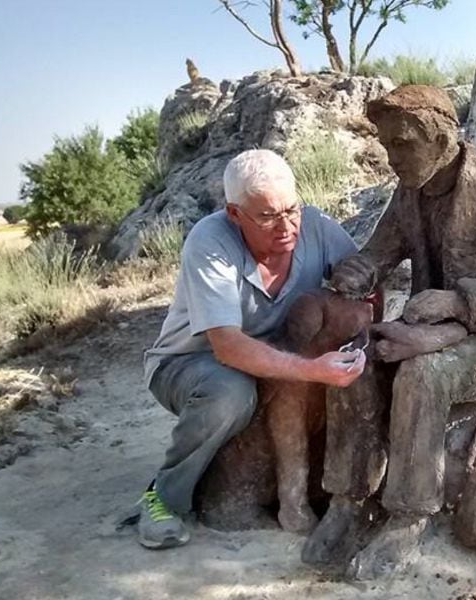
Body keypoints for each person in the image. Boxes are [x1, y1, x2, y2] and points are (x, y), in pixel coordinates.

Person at [303, 85, 476, 579]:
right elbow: (379, 250)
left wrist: (458, 302)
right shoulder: (409, 192)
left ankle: (408, 516)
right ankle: (348, 501)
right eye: (387, 144)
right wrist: (357, 271)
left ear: (441, 137)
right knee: (355, 362)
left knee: (422, 376)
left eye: (403, 143)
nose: (392, 157)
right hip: (423, 331)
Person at [136, 149, 366, 549]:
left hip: (272, 354)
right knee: (231, 394)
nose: (286, 226)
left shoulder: (316, 227)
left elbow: (365, 287)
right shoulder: (209, 242)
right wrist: (314, 370)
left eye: (292, 209)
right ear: (234, 214)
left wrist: (363, 298)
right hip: (190, 362)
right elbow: (227, 347)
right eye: (267, 216)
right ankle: (164, 497)